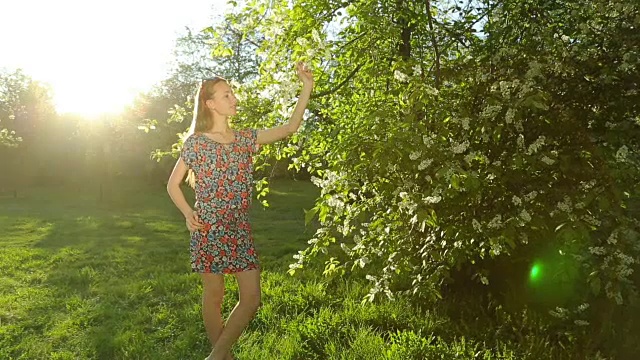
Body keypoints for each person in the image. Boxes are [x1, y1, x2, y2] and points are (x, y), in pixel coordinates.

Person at [166, 62, 314, 360]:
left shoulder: (245, 139)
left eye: (232, 93)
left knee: (251, 298)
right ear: (210, 104)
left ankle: (216, 356)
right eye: (226, 95)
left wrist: (306, 86)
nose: (233, 99)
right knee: (215, 295)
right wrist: (187, 214)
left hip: (239, 228)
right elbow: (172, 185)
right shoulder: (195, 143)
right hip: (208, 228)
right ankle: (223, 356)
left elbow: (290, 127)